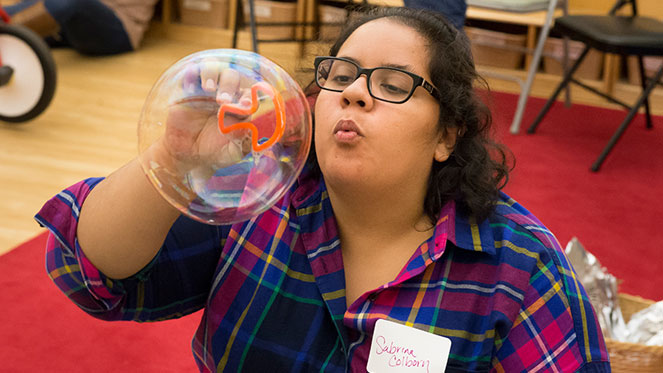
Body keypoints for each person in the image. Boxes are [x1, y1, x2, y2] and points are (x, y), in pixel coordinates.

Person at [35, 6, 611, 372]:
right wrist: (176, 156)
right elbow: (95, 273)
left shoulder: (517, 264)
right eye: (340, 74)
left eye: (392, 84)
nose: (354, 93)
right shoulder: (259, 200)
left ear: (446, 136)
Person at [5, 0, 158, 55]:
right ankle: (9, 33)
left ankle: (8, 38)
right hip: (75, 24)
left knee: (70, 1)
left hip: (121, 28)